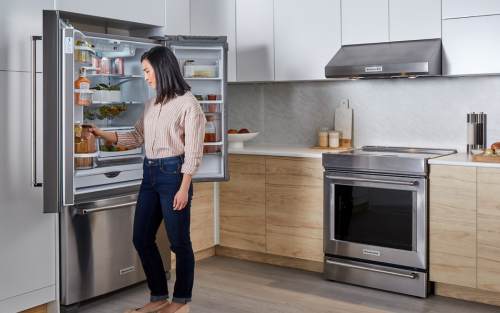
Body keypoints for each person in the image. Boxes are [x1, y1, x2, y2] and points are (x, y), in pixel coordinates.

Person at [89, 46, 206, 313]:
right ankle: (159, 298)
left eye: (147, 71)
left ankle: (180, 301)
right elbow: (136, 137)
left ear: (162, 69)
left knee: (179, 242)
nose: (145, 77)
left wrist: (184, 188)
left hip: (174, 175)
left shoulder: (189, 104)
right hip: (150, 173)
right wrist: (101, 134)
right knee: (142, 238)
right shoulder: (152, 104)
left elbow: (194, 152)